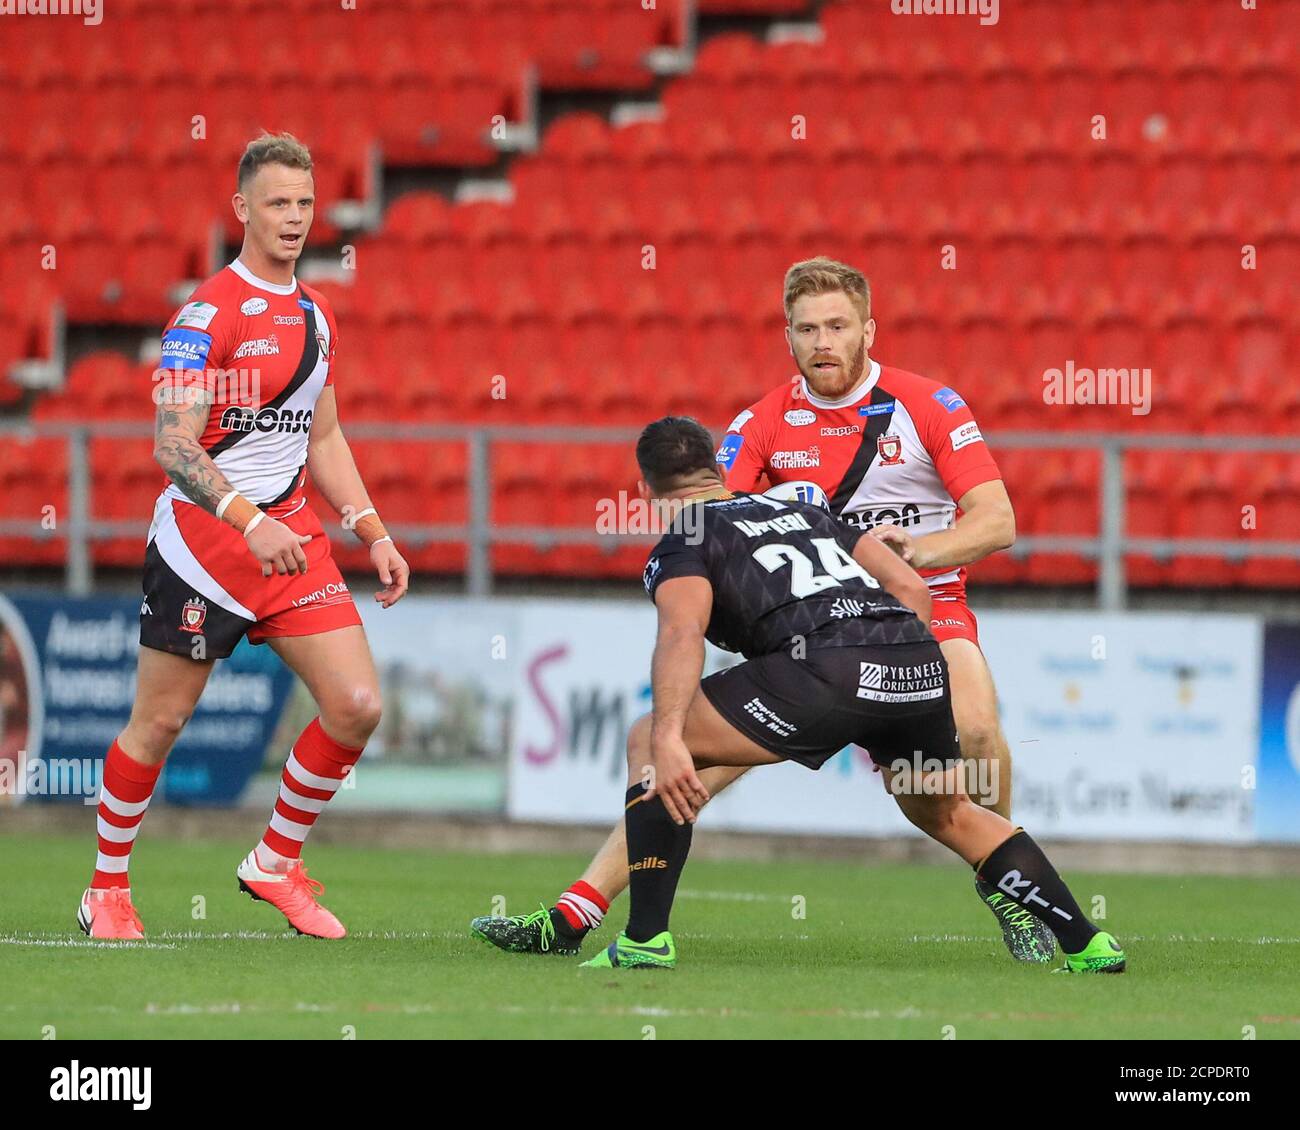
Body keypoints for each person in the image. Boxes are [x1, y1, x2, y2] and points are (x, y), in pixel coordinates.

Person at [473, 256, 1055, 962]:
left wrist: (919, 552)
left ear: (869, 328)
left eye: (838, 325)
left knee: (977, 738)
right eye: (807, 329)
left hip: (922, 611)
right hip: (810, 632)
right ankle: (576, 912)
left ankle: (1010, 896)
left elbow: (998, 520)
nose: (823, 342)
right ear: (788, 337)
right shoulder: (762, 424)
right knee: (685, 758)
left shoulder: (928, 405)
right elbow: (711, 520)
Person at [577, 417, 1123, 973]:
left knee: (649, 739)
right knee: (950, 811)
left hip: (825, 666)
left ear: (645, 491)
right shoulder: (803, 510)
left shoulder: (685, 537)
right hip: (915, 657)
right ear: (718, 471)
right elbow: (910, 585)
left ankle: (645, 940)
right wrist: (886, 673)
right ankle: (1088, 944)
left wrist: (672, 736)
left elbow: (681, 632)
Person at [77, 132, 409, 941]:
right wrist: (246, 521)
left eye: (304, 203)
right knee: (158, 724)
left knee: (357, 705)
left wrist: (371, 530)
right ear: (242, 210)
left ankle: (273, 861)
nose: (294, 219)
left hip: (291, 540)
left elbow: (323, 437)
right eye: (277, 204)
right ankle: (107, 890)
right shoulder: (205, 316)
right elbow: (172, 444)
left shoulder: (317, 315)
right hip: (204, 544)